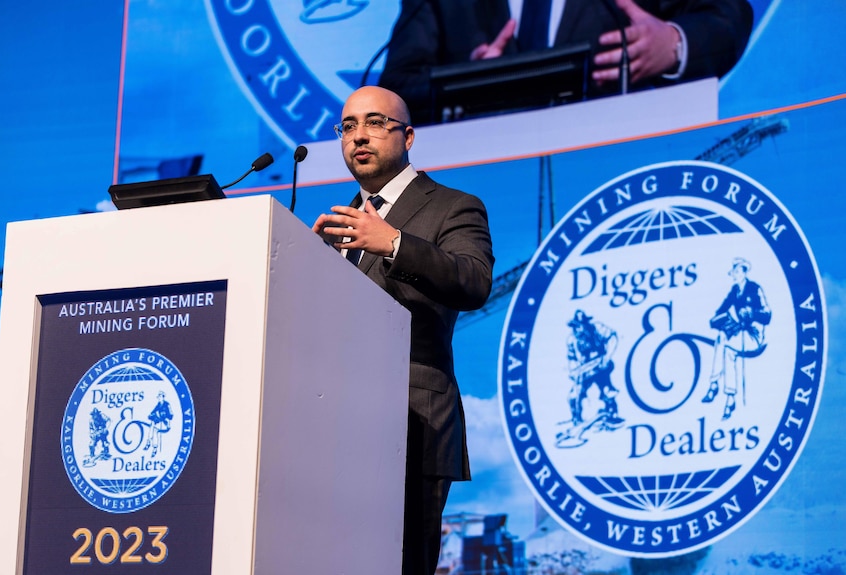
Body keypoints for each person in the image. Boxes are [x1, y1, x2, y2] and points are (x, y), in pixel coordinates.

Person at [311, 86, 494, 574]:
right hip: (332, 428)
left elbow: (474, 281)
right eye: (348, 127)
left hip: (414, 419)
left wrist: (393, 243)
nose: (359, 136)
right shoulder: (335, 226)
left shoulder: (454, 206)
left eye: (375, 123)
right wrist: (304, 270)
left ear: (408, 136)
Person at [378, 0, 754, 124]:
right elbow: (395, 91)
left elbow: (727, 17)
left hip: (620, 155)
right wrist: (464, 84)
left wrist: (672, 43)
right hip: (482, 195)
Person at [703, 257, 770, 420]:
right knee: (722, 338)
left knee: (727, 349)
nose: (734, 275)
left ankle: (724, 393)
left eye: (737, 272)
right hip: (739, 332)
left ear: (744, 272)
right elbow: (723, 307)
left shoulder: (755, 289)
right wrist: (715, 318)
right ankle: (719, 388)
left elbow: (767, 315)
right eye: (734, 272)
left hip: (753, 336)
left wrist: (752, 313)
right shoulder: (735, 291)